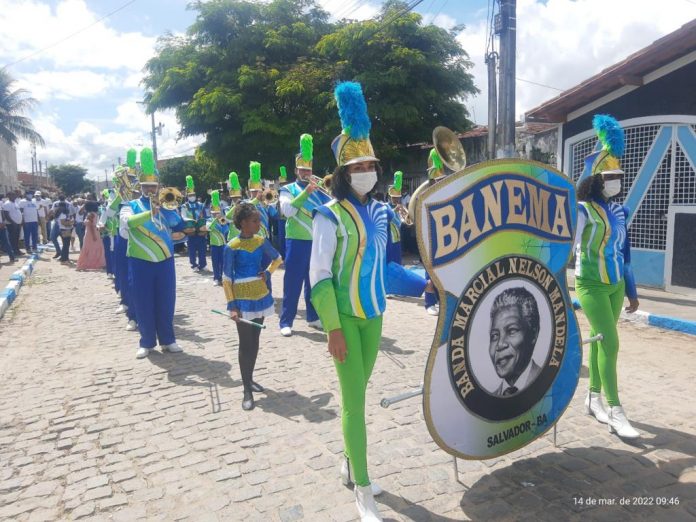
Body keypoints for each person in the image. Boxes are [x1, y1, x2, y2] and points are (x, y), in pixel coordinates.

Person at [309, 82, 428, 522]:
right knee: (354, 402)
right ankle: (362, 488)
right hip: (344, 320)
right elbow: (318, 276)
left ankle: (347, 463)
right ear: (343, 172)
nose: (366, 171)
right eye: (358, 166)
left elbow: (389, 269)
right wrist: (332, 328)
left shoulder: (380, 213)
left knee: (358, 394)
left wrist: (426, 285)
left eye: (371, 165)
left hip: (375, 316)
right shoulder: (329, 216)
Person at [575, 114, 640, 439]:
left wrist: (632, 291)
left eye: (619, 175)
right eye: (610, 175)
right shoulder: (583, 210)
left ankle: (593, 398)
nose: (617, 180)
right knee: (611, 343)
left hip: (615, 286)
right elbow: (568, 247)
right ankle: (615, 409)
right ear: (598, 179)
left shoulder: (620, 211)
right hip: (590, 285)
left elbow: (624, 255)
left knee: (601, 341)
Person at [120, 147, 186, 359]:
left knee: (166, 300)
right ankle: (146, 341)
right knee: (143, 301)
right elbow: (125, 226)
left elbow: (179, 226)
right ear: (140, 187)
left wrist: (167, 209)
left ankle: (168, 340)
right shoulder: (130, 206)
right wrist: (150, 212)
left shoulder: (166, 206)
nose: (150, 190)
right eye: (146, 187)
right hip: (141, 261)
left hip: (165, 261)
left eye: (153, 187)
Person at [223, 202, 282, 410]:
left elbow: (277, 258)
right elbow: (226, 278)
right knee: (245, 343)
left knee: (255, 341)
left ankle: (249, 379)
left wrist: (267, 273)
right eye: (255, 221)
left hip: (260, 296)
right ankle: (246, 388)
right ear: (243, 223)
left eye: (259, 220)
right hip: (242, 300)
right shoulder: (231, 246)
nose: (259, 223)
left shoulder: (260, 241)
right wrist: (232, 305)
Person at [278, 133, 330, 337]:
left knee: (314, 281)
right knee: (293, 282)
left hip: (317, 241)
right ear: (295, 170)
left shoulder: (320, 190)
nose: (306, 173)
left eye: (308, 169)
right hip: (296, 241)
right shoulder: (287, 189)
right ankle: (286, 321)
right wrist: (306, 192)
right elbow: (287, 211)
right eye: (302, 170)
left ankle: (313, 317)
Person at [488, 287, 542, 396]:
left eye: (511, 331)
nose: (500, 344)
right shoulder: (487, 404)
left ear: (533, 334)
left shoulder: (550, 384)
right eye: (494, 336)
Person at [181, 175, 207, 272]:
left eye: (193, 195)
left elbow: (205, 216)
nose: (192, 197)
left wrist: (202, 219)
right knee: (191, 250)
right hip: (191, 230)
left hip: (200, 230)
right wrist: (190, 220)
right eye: (190, 195)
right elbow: (183, 216)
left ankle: (203, 264)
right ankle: (194, 265)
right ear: (187, 196)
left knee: (202, 249)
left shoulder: (200, 205)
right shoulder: (184, 206)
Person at [207, 190, 229, 286]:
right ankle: (216, 278)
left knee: (223, 262)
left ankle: (223, 277)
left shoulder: (222, 220)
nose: (216, 214)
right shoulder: (209, 220)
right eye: (215, 213)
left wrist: (222, 222)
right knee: (215, 263)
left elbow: (226, 230)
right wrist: (216, 220)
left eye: (218, 212)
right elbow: (209, 228)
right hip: (214, 245)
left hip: (223, 244)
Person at [2, 192, 23, 256]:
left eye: (14, 195)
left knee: (17, 238)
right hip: (11, 224)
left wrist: (20, 221)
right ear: (9, 196)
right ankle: (14, 251)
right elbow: (6, 215)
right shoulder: (7, 204)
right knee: (12, 238)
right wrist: (13, 222)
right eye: (12, 195)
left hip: (18, 223)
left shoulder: (15, 203)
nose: (14, 196)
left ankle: (17, 250)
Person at [224, 172, 242, 241]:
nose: (237, 198)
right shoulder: (227, 208)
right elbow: (228, 218)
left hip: (244, 238)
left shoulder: (244, 206)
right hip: (232, 239)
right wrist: (235, 206)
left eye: (238, 197)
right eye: (235, 197)